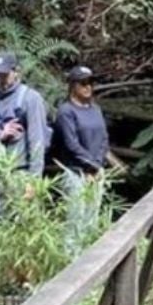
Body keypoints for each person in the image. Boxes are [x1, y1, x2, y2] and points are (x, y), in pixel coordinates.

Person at [0, 50, 49, 218]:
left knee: (22, 226)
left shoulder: (30, 99)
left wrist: (34, 180)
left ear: (16, 72)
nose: (1, 79)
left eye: (5, 74)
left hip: (20, 175)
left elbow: (37, 142)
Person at [52, 65, 109, 253]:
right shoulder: (65, 111)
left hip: (96, 173)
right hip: (75, 173)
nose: (88, 87)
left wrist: (98, 166)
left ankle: (89, 264)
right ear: (73, 86)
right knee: (75, 222)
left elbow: (104, 138)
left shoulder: (96, 109)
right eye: (83, 83)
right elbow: (71, 144)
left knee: (91, 221)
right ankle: (71, 265)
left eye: (91, 82)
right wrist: (90, 166)